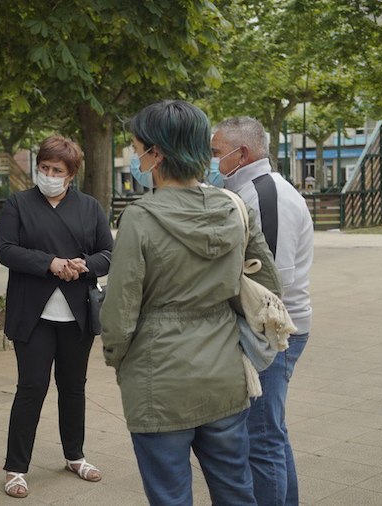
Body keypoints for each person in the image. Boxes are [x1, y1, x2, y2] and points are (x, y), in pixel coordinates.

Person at [102, 100, 282, 505]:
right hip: (223, 374)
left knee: (171, 496)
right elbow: (268, 283)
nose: (135, 156)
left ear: (156, 153)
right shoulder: (233, 207)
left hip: (158, 378)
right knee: (236, 491)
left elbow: (120, 312)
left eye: (137, 148)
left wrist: (117, 358)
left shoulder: (140, 218)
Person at [0, 135, 113, 499]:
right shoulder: (18, 203)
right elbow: (7, 250)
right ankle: (16, 467)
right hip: (33, 314)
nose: (48, 175)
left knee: (73, 387)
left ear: (71, 173)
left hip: (77, 314)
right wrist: (50, 263)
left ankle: (75, 455)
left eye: (56, 170)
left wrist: (83, 267)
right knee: (31, 387)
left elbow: (107, 253)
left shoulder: (90, 207)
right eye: (44, 168)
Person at [211, 116, 314, 505]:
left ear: (242, 153)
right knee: (269, 432)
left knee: (261, 438)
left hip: (272, 331)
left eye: (216, 152)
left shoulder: (265, 195)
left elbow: (270, 282)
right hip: (272, 328)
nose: (212, 160)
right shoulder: (250, 190)